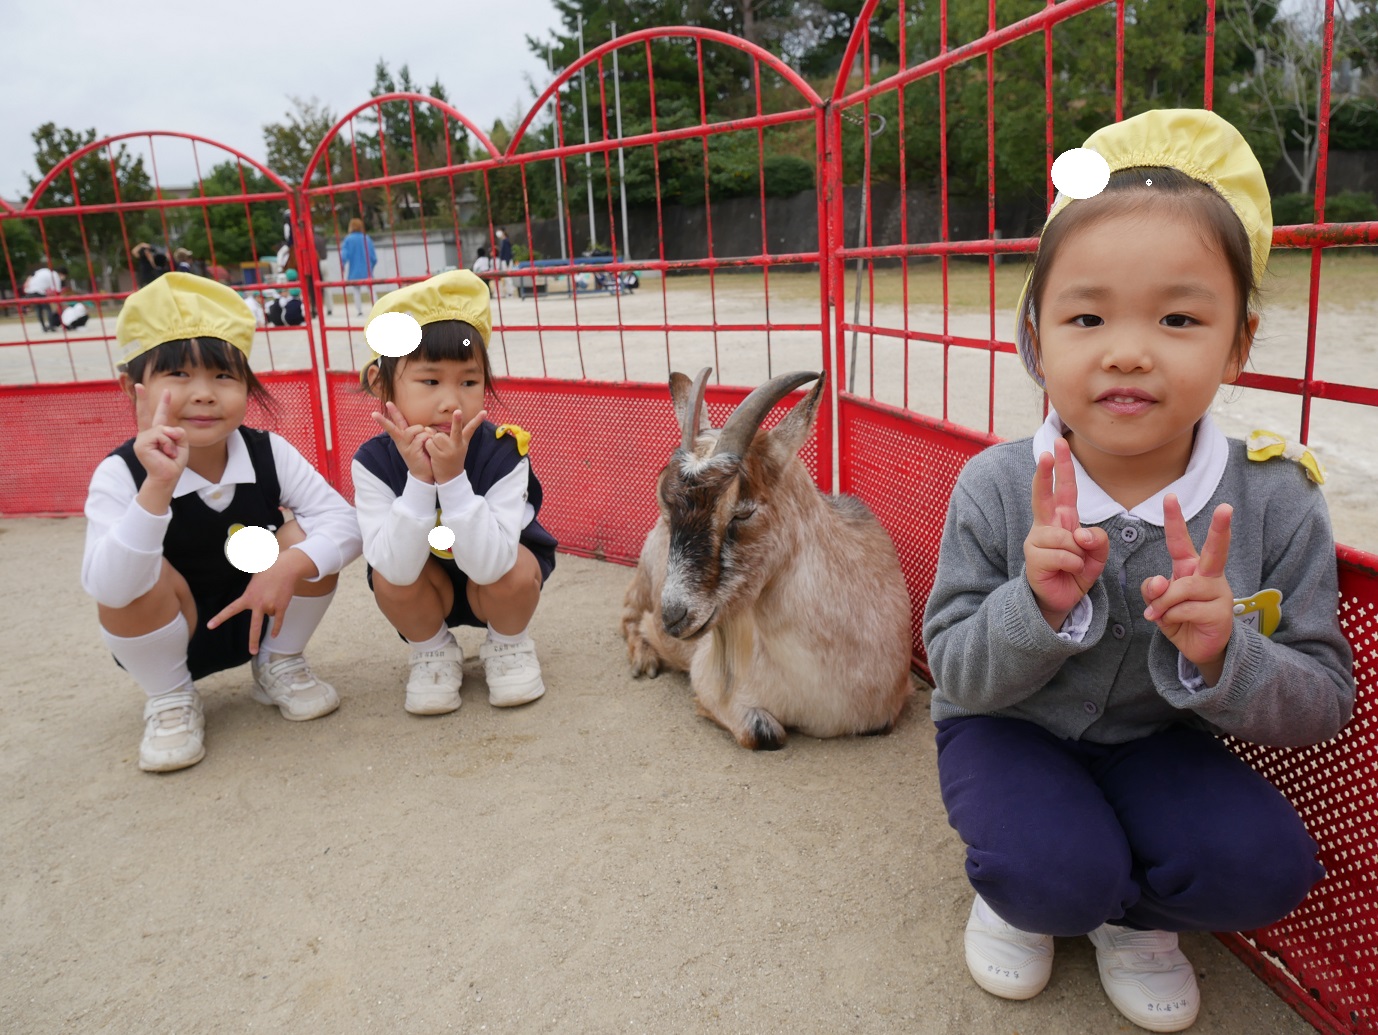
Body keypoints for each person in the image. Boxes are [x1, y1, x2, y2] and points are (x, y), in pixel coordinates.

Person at [921, 108, 1355, 1033]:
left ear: (1237, 341)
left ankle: (1133, 915)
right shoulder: (998, 485)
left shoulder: (1277, 499)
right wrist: (1030, 605)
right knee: (1048, 876)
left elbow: (1322, 701)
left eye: (1178, 316)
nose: (1127, 348)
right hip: (1007, 728)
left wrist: (1224, 653)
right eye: (1087, 314)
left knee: (1265, 864)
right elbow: (951, 667)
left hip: (1160, 742)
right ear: (1036, 336)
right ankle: (1031, 889)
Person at [81, 272, 362, 772]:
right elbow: (106, 586)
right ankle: (169, 698)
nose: (205, 394)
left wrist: (292, 563)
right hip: (168, 629)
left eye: (223, 376)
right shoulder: (120, 473)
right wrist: (156, 489)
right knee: (134, 578)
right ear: (134, 389)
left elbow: (344, 522)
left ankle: (280, 661)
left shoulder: (268, 451)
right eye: (180, 376)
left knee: (304, 540)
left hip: (263, 613)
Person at [353, 269, 557, 716]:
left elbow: (493, 562)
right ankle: (431, 652)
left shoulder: (505, 453)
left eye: (468, 382)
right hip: (425, 585)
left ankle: (508, 645)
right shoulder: (371, 463)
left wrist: (453, 481)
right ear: (380, 383)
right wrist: (420, 482)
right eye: (430, 382)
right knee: (388, 577)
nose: (452, 402)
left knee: (518, 568)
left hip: (494, 580)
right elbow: (394, 566)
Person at [339, 217, 378, 316]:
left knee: (356, 291)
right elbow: (373, 257)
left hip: (354, 270)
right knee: (371, 289)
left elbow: (343, 256)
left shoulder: (348, 239)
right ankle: (377, 307)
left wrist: (342, 267)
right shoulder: (366, 238)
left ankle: (359, 310)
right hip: (367, 270)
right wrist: (371, 267)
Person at [24, 264, 66, 331]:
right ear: (62, 273)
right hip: (39, 292)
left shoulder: (43, 270)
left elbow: (32, 276)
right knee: (48, 309)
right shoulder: (55, 275)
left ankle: (43, 327)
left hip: (29, 291)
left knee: (38, 309)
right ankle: (51, 326)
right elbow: (57, 291)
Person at [495, 227, 514, 298]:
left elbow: (507, 252)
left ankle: (510, 292)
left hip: (506, 261)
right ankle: (509, 292)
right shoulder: (504, 241)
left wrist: (507, 261)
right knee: (506, 277)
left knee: (508, 277)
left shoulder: (505, 241)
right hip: (505, 260)